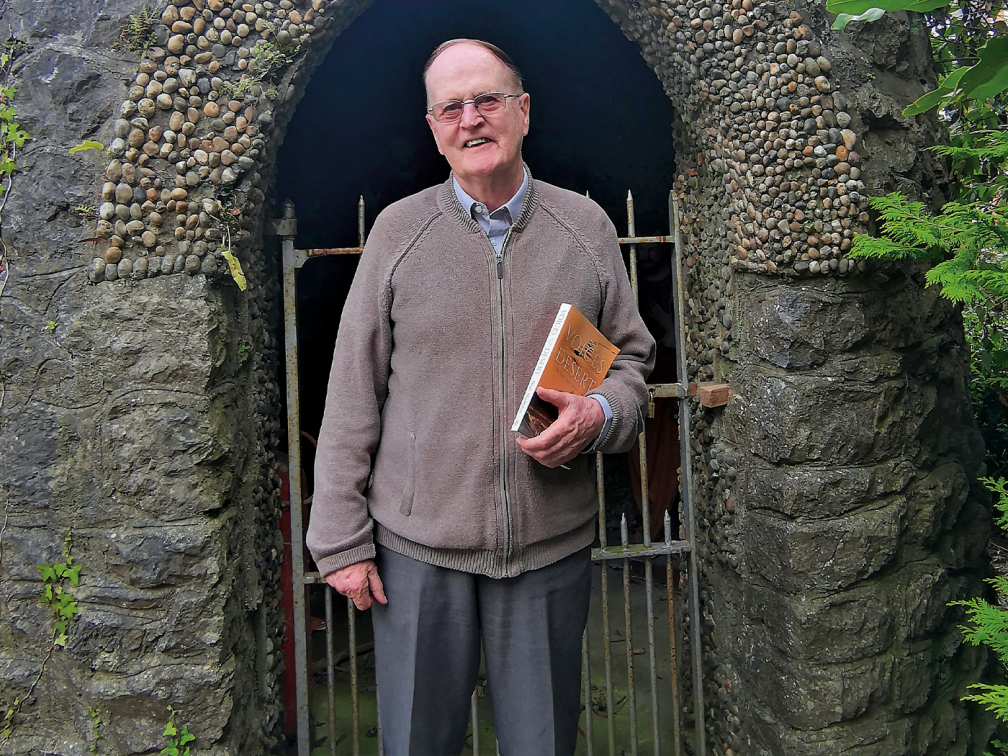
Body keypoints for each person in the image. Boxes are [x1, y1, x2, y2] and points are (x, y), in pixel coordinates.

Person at [306, 38, 655, 755]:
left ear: (523, 113)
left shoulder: (584, 228)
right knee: (416, 742)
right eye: (452, 107)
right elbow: (352, 391)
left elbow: (632, 364)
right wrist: (339, 539)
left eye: (488, 100)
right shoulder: (398, 233)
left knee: (543, 743)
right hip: (416, 552)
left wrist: (599, 414)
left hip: (548, 548)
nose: (472, 119)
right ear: (434, 128)